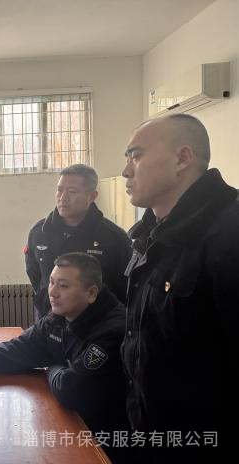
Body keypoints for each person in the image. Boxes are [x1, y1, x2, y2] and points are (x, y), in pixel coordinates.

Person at [0, 253, 129, 462]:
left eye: (63, 286)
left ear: (91, 293)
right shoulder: (60, 316)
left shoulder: (113, 331)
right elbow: (20, 347)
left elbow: (71, 388)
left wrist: (52, 366)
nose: (52, 292)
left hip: (108, 438)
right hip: (74, 423)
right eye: (51, 282)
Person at [121, 113, 239, 462]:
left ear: (182, 158)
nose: (126, 171)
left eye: (136, 156)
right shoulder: (149, 235)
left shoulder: (228, 234)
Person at [24, 164, 132, 321]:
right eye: (59, 190)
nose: (63, 197)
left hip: (97, 325)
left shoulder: (114, 238)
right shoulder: (40, 232)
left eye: (72, 191)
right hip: (49, 323)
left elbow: (125, 288)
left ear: (92, 196)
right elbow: (34, 274)